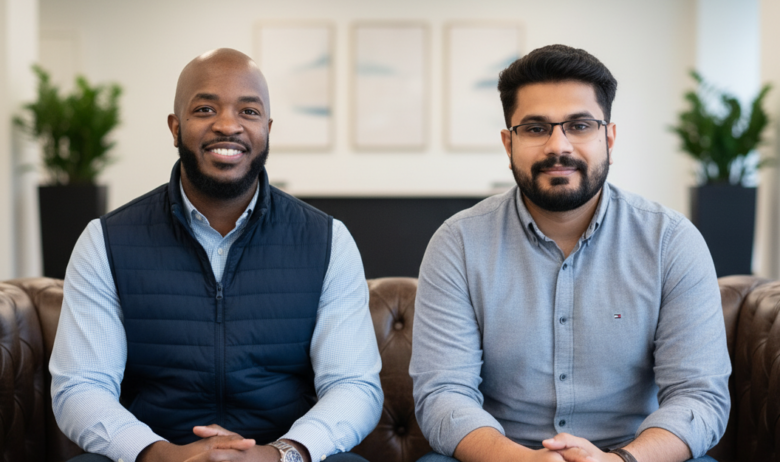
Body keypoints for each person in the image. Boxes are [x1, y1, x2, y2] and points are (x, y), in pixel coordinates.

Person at [49, 48, 383, 462]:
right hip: (156, 454)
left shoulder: (327, 240)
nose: (228, 125)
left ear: (267, 129)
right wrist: (162, 454)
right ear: (175, 128)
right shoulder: (106, 241)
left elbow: (353, 385)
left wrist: (281, 454)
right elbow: (81, 386)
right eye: (205, 109)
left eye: (249, 112)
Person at [410, 44, 730, 462]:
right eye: (535, 128)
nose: (558, 146)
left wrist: (619, 460)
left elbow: (698, 396)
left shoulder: (670, 241)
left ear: (608, 138)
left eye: (580, 126)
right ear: (508, 143)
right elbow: (443, 394)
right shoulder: (458, 243)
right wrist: (523, 460)